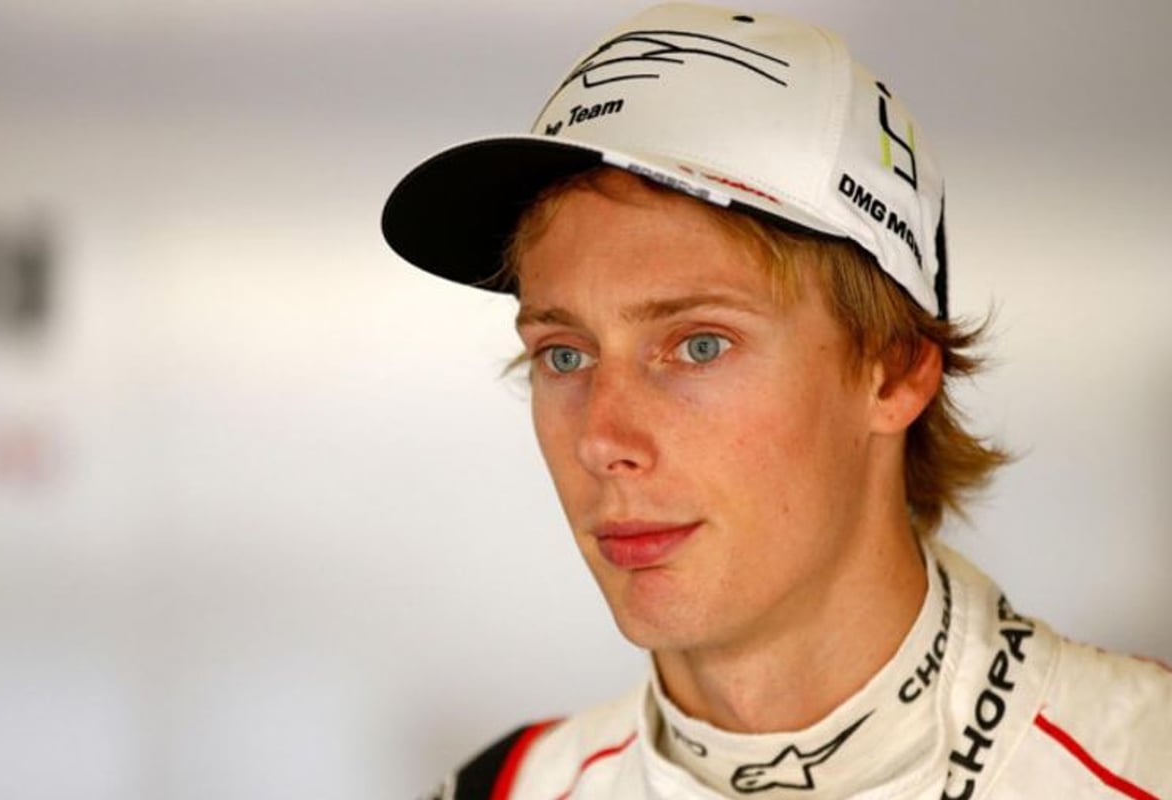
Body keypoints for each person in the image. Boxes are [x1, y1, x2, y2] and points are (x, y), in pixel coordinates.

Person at [381, 3, 1172, 798]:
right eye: (565, 354)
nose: (601, 439)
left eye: (699, 345)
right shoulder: (499, 788)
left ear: (895, 372)